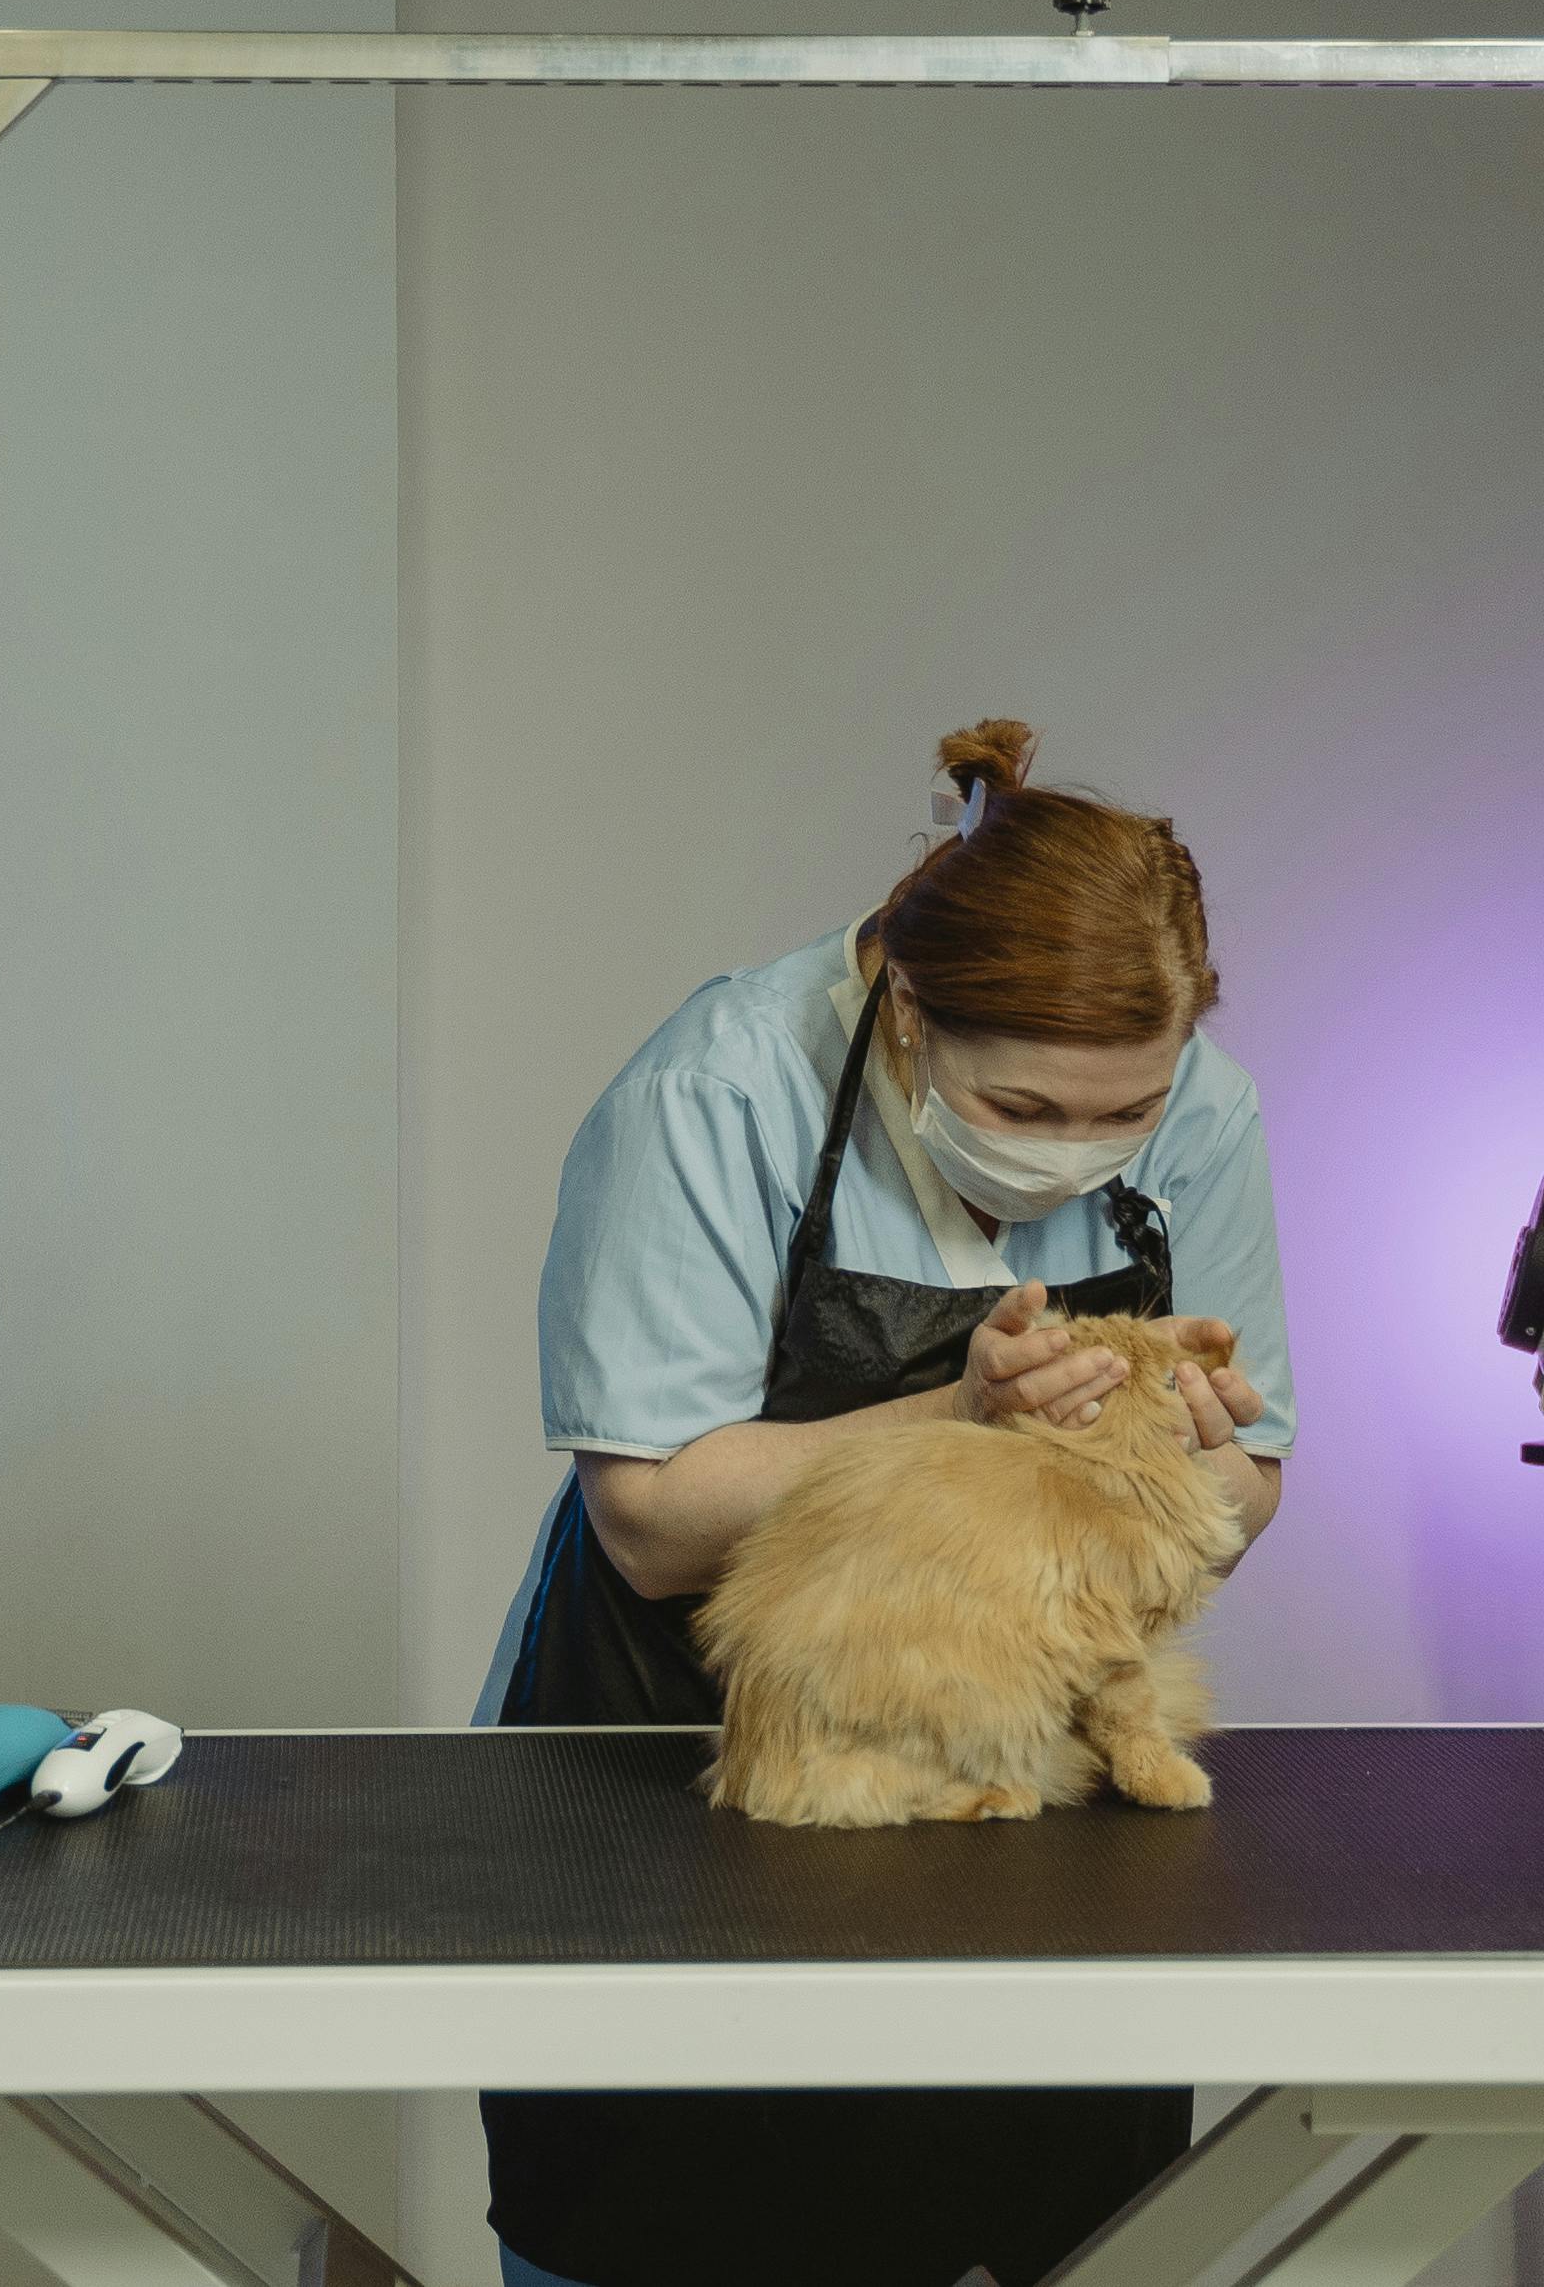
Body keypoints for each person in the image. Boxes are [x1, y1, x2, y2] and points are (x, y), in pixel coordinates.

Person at [476, 719, 1297, 2287]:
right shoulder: (720, 1089)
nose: (1080, 1156)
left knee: (1067, 2228)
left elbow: (1249, 1482)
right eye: (1031, 1111)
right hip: (694, 1759)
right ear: (911, 1017)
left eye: (1122, 1115)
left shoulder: (1207, 1108)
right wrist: (961, 1415)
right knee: (678, 2227)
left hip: (1032, 1794)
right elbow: (649, 1520)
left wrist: (1186, 1476)